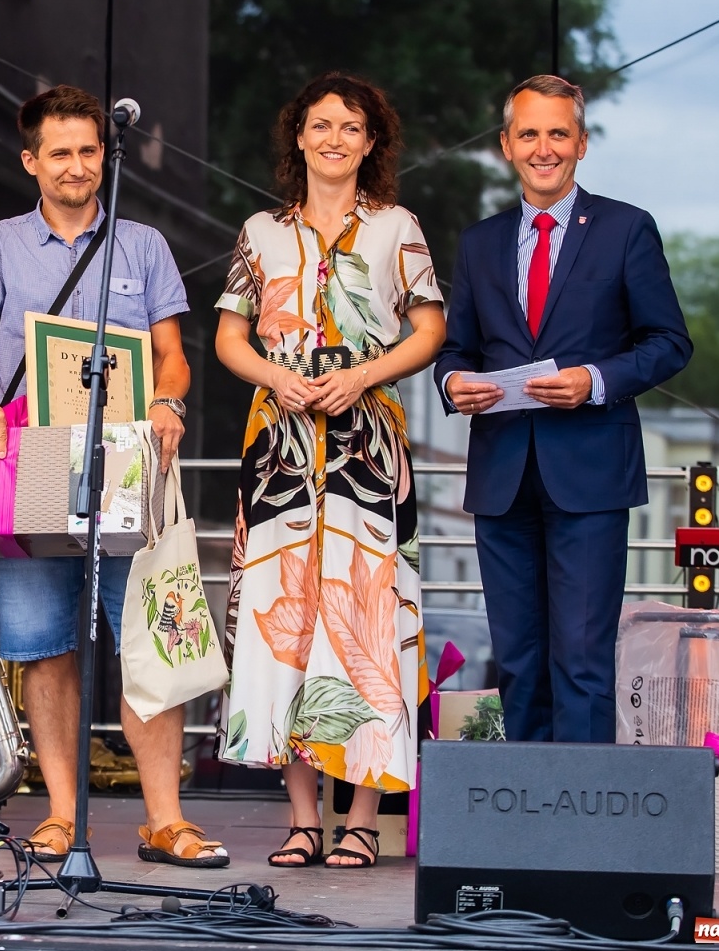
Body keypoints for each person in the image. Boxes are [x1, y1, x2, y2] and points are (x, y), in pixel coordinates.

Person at [0, 84, 227, 868]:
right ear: (31, 161)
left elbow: (172, 352)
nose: (76, 166)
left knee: (151, 642)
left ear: (107, 156)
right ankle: (61, 814)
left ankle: (164, 818)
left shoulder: (143, 244)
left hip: (129, 462)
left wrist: (169, 399)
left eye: (89, 151)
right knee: (43, 646)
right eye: (59, 152)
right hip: (29, 462)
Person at [214, 72, 445, 870]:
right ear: (299, 138)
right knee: (291, 624)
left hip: (366, 450)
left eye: (351, 127)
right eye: (321, 125)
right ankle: (304, 818)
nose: (335, 138)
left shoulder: (396, 227)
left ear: (371, 142)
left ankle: (362, 819)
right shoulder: (260, 231)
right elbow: (229, 339)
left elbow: (429, 329)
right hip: (277, 446)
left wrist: (365, 375)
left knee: (365, 627)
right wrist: (275, 378)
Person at [434, 74, 691, 744]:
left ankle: (581, 837)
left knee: (580, 660)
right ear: (506, 146)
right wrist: (453, 381)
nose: (543, 147)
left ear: (580, 143)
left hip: (590, 472)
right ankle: (527, 824)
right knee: (517, 659)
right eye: (529, 134)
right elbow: (457, 347)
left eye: (557, 133)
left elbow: (669, 343)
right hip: (502, 474)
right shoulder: (479, 242)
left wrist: (595, 380)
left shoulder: (626, 229)